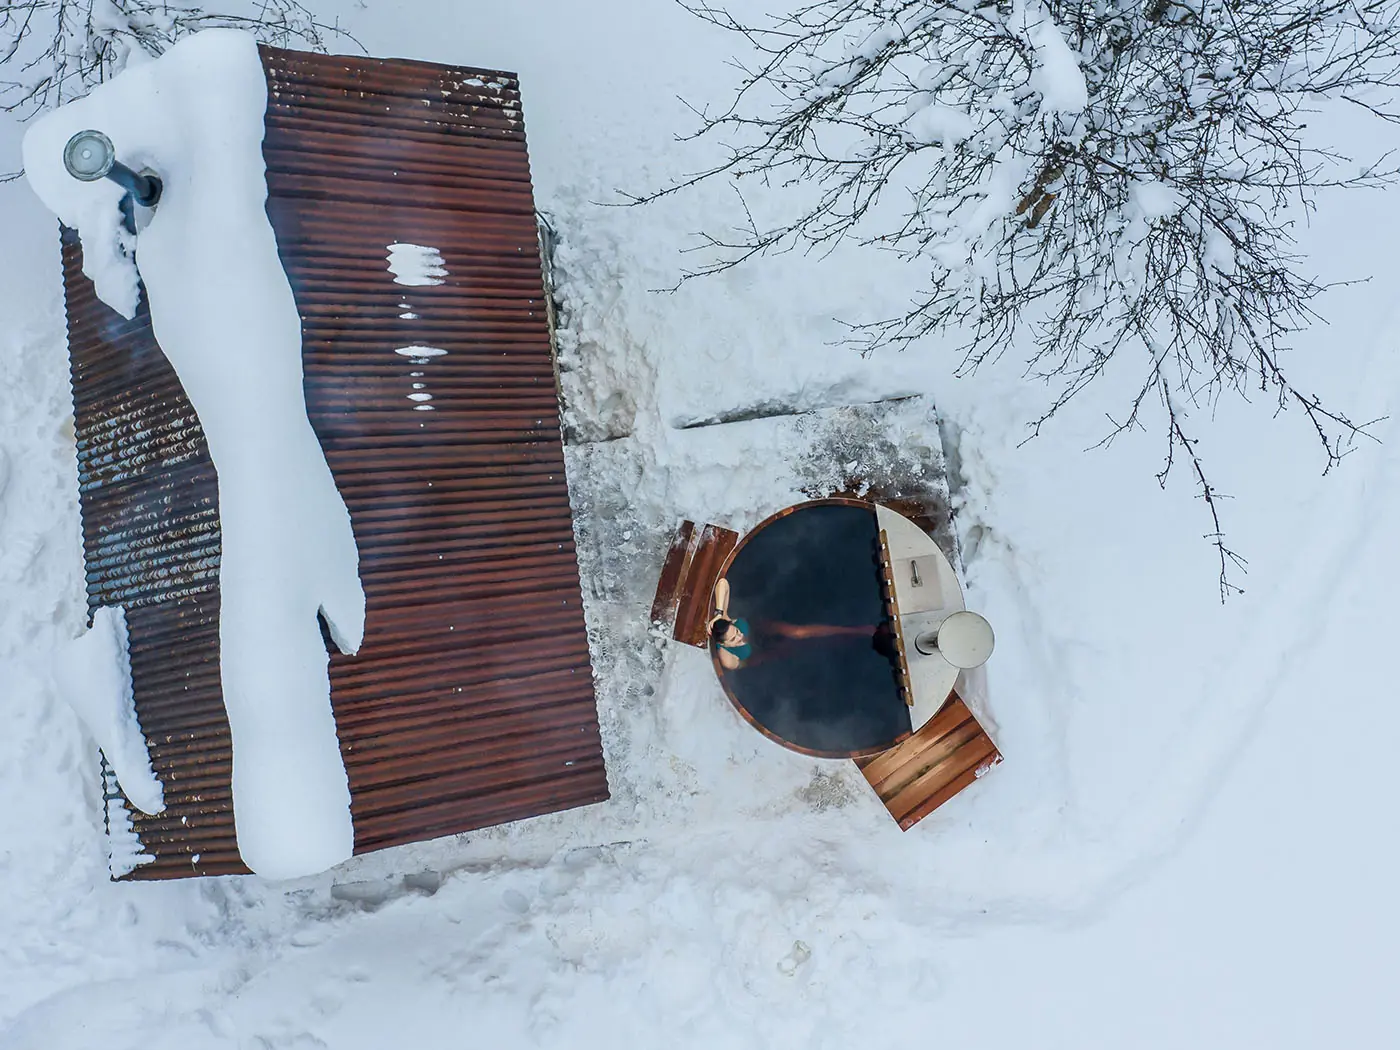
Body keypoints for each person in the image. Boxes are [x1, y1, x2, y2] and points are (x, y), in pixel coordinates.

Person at [708, 578, 752, 669]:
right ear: (723, 644)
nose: (740, 636)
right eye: (733, 639)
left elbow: (723, 582)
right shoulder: (727, 659)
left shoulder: (725, 621)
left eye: (736, 631)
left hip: (756, 629)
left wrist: (719, 613)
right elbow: (744, 665)